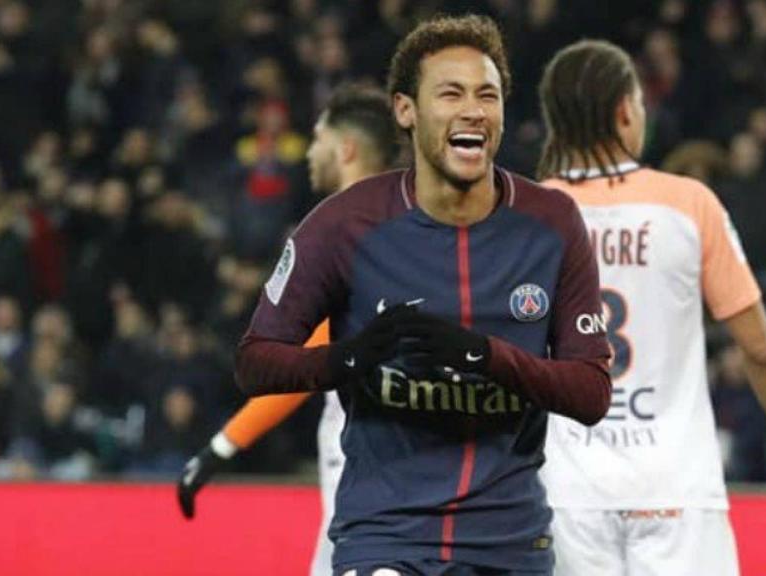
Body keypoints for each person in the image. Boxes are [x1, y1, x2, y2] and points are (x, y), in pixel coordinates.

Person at [235, 15, 611, 575]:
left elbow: (591, 391)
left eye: (488, 95)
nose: (473, 110)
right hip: (387, 534)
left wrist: (484, 356)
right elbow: (255, 362)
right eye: (451, 93)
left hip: (509, 542)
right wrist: (350, 357)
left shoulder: (551, 222)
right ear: (406, 111)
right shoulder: (344, 224)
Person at [535, 39, 766, 576]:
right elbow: (762, 348)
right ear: (626, 111)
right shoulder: (688, 204)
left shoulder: (529, 213)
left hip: (566, 490)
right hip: (674, 487)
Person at [176, 83, 400, 576]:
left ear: (345, 149)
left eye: (318, 138)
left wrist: (223, 444)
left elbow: (311, 359)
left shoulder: (342, 232)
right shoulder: (416, 223)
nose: (309, 151)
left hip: (368, 460)